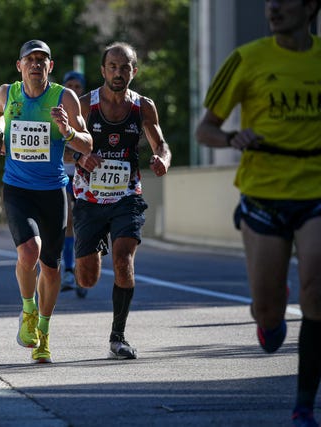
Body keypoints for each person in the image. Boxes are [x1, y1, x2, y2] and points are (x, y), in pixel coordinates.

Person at [196, 1, 321, 425]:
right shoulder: (247, 59)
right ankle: (271, 311)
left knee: (317, 294)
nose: (273, 7)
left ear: (310, 7)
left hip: (316, 191)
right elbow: (204, 130)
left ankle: (305, 404)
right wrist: (233, 137)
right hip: (264, 195)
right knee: (267, 314)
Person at [0, 40, 92, 363]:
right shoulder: (8, 93)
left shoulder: (65, 97)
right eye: (30, 59)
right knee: (28, 250)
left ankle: (44, 333)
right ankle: (28, 310)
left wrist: (68, 132)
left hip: (52, 191)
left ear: (50, 66)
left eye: (42, 60)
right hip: (17, 188)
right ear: (19, 65)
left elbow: (87, 143)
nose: (36, 64)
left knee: (51, 268)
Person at [72, 42, 171, 360]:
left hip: (127, 195)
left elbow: (161, 143)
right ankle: (96, 244)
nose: (118, 72)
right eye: (112, 66)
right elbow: (63, 144)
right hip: (89, 196)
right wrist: (80, 155)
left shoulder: (144, 106)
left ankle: (118, 336)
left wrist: (163, 159)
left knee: (123, 261)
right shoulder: (86, 104)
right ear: (103, 71)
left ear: (134, 71)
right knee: (86, 278)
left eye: (125, 66)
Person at [61, 71, 87, 297]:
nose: (74, 90)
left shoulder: (87, 114)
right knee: (68, 220)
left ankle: (82, 269)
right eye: (69, 86)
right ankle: (69, 269)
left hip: (85, 176)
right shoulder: (57, 113)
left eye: (78, 86)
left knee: (84, 225)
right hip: (64, 176)